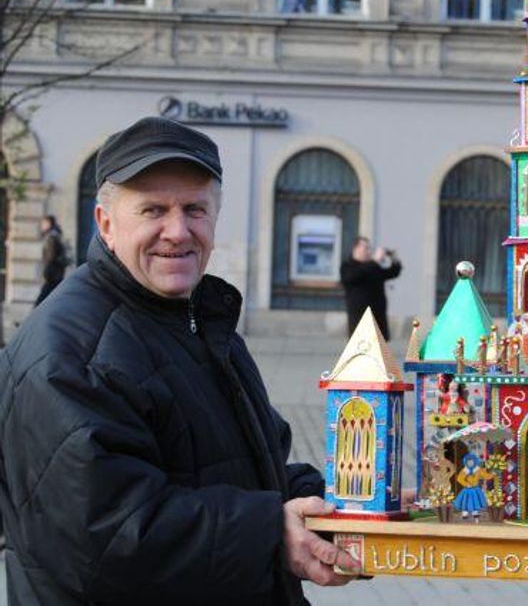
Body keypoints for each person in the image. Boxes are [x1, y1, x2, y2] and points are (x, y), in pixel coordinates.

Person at [0, 117, 359, 604]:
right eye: (153, 210)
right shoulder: (73, 353)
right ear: (106, 224)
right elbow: (113, 535)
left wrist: (350, 504)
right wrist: (272, 531)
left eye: (195, 209)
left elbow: (248, 469)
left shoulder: (196, 317)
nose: (177, 231)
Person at [340, 236, 401, 340]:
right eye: (366, 248)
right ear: (356, 248)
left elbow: (392, 273)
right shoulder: (348, 266)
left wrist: (394, 259)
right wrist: (375, 261)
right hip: (360, 320)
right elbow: (354, 276)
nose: (368, 251)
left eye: (369, 248)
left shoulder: (373, 267)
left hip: (377, 318)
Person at [33, 215, 67, 306]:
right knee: (53, 301)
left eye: (43, 223)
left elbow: (50, 258)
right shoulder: (55, 236)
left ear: (48, 224)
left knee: (40, 303)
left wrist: (45, 274)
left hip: (52, 276)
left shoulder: (51, 238)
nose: (41, 226)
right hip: (55, 276)